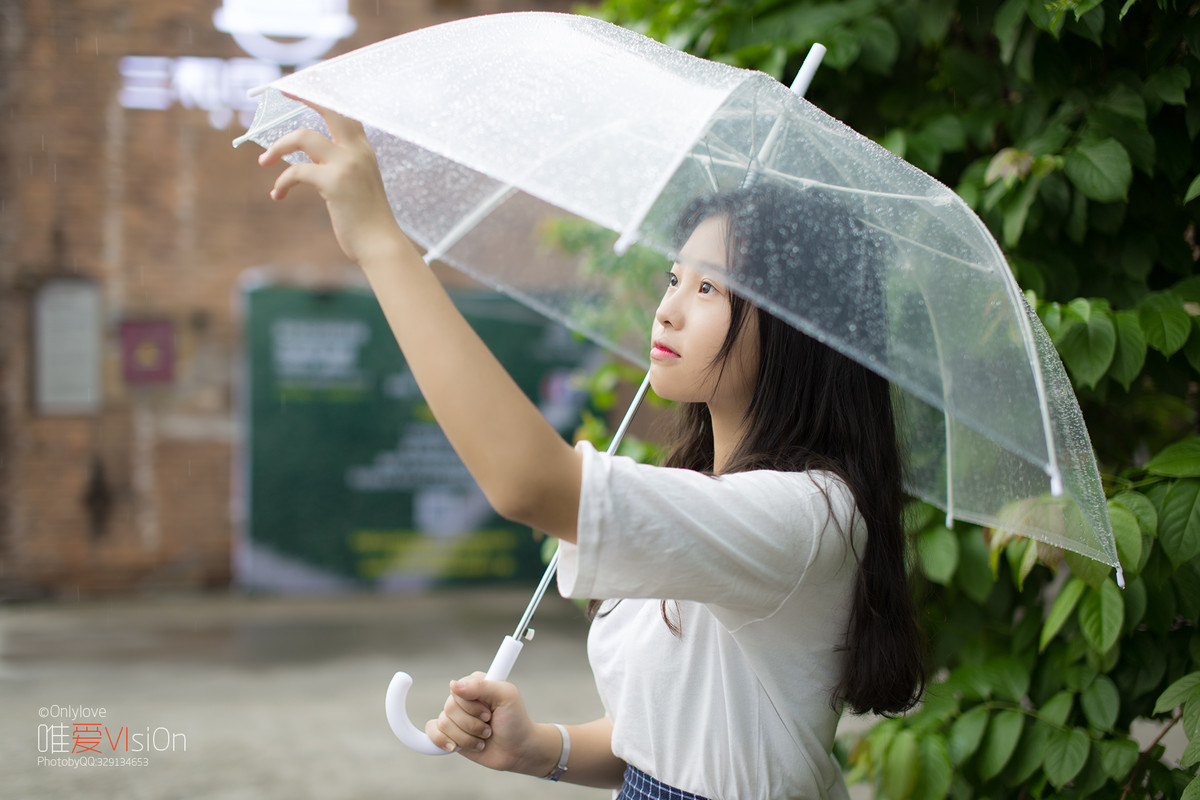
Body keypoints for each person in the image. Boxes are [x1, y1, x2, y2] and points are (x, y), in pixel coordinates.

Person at [258, 105, 926, 800]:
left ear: (799, 331)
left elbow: (527, 483)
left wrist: (382, 244)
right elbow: (674, 737)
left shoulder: (808, 513)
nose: (667, 309)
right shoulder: (705, 489)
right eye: (674, 279)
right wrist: (541, 747)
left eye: (709, 288)